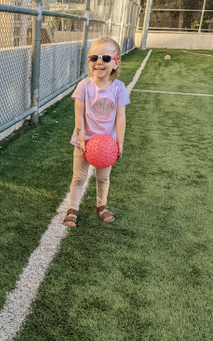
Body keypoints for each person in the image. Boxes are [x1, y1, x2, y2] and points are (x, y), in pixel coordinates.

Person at [63, 37, 130, 227]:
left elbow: (120, 117)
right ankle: (73, 208)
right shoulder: (84, 86)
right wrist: (81, 136)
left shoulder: (119, 88)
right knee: (79, 177)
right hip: (84, 141)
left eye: (106, 58)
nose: (99, 62)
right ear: (89, 62)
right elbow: (79, 115)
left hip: (107, 145)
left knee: (103, 177)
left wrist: (119, 142)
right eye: (94, 57)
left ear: (116, 63)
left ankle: (101, 205)